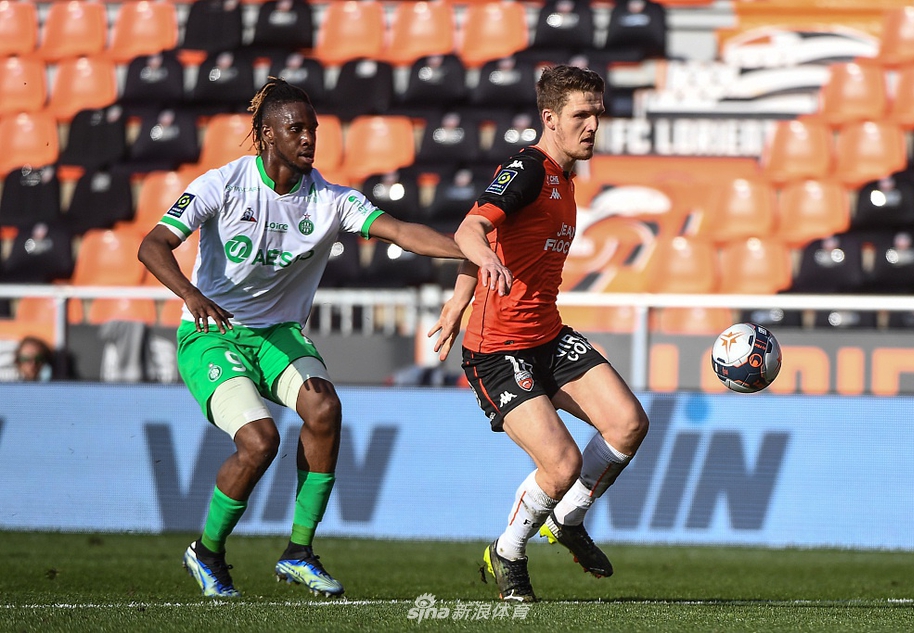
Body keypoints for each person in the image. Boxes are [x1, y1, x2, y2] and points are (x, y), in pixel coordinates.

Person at [138, 77, 465, 599]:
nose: (309, 138)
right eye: (297, 129)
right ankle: (207, 552)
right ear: (268, 134)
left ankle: (298, 552)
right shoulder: (222, 184)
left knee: (325, 411)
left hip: (278, 336)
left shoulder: (331, 200)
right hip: (212, 334)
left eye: (313, 128)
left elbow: (402, 232)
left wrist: (470, 252)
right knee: (260, 441)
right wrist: (190, 293)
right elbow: (153, 245)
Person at [429, 65, 650, 603]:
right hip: (498, 351)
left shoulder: (565, 176)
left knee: (628, 424)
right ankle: (507, 552)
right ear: (550, 119)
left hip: (547, 337)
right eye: (581, 115)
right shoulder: (528, 170)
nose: (593, 125)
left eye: (597, 114)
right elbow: (472, 229)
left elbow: (493, 236)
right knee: (562, 464)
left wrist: (459, 296)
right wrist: (472, 286)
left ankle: (568, 521)